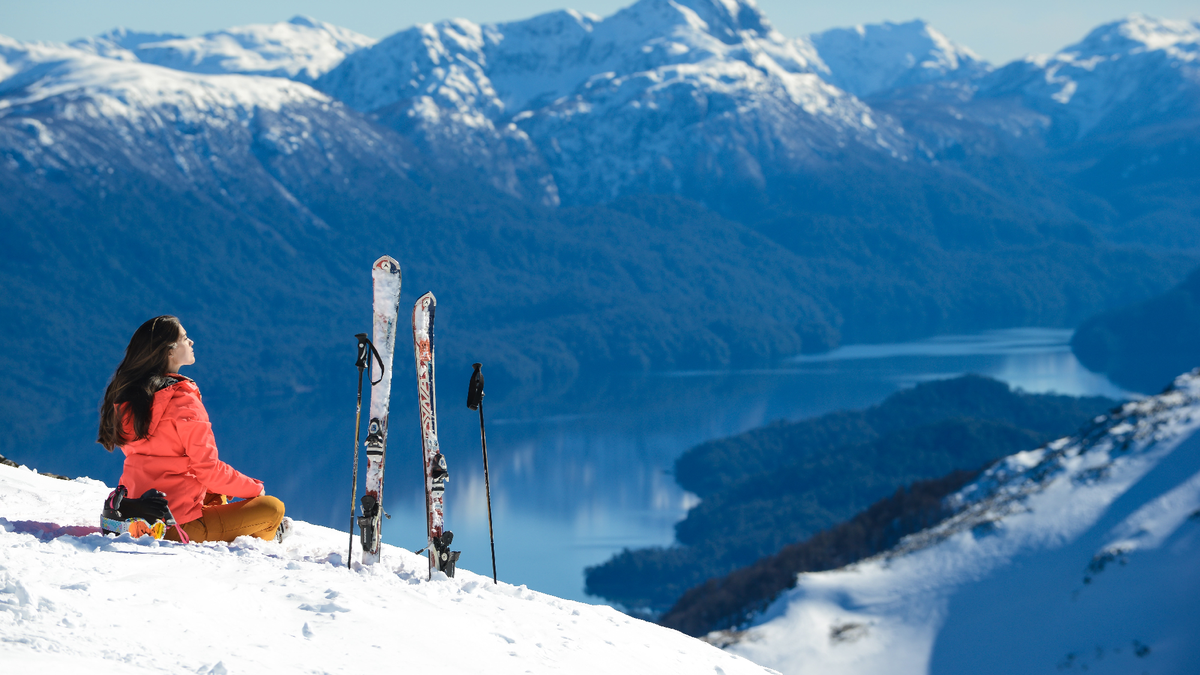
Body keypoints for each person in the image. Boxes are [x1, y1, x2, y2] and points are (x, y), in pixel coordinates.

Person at [98, 315, 290, 543]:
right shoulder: (182, 400)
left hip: (136, 515)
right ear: (169, 351)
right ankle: (266, 536)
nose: (191, 342)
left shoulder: (131, 397)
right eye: (185, 338)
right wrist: (255, 489)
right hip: (176, 525)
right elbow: (208, 469)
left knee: (217, 491)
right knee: (273, 509)